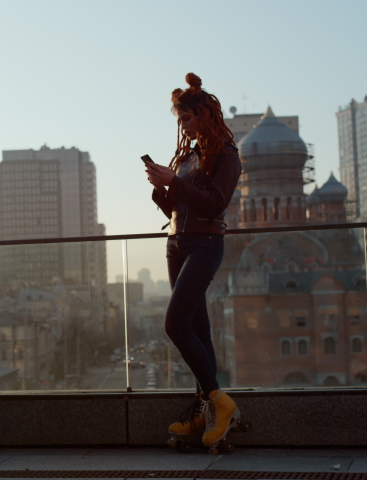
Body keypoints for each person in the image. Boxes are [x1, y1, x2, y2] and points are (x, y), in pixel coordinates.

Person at [144, 72, 242, 449]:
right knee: (198, 330)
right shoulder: (187, 157)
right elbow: (177, 204)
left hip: (204, 244)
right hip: (177, 243)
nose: (183, 125)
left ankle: (219, 401)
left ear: (205, 114)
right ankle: (206, 408)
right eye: (180, 120)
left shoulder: (226, 156)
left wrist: (175, 181)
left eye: (187, 118)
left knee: (176, 324)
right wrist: (161, 187)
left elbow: (217, 203)